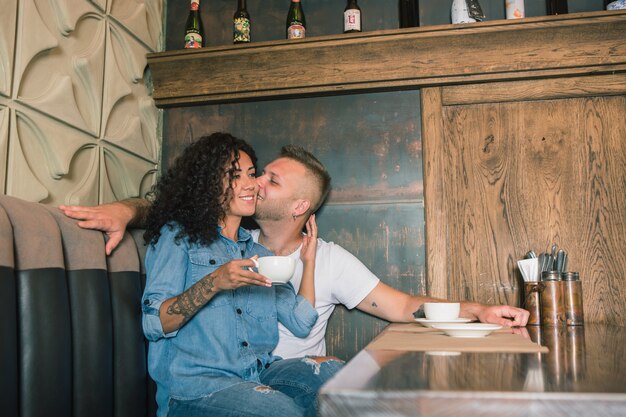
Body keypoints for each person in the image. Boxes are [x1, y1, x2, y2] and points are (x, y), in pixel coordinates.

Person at [60, 144, 530, 360]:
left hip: (290, 381)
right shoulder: (224, 235)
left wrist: (479, 310)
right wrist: (125, 209)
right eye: (251, 174)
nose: (254, 182)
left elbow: (405, 307)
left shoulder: (328, 259)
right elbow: (179, 205)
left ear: (299, 206)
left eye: (268, 179)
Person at [137, 132, 338, 417]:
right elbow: (154, 323)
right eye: (234, 176)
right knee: (280, 410)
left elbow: (301, 321)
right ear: (207, 183)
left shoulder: (260, 255)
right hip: (194, 391)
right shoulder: (179, 237)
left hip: (256, 376)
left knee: (336, 377)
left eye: (251, 174)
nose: (251, 184)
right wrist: (215, 282)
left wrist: (309, 261)